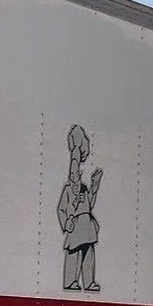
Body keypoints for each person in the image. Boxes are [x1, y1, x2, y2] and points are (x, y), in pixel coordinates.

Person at [57, 124, 102, 291]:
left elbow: (89, 204)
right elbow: (61, 209)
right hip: (76, 226)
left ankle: (89, 282)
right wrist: (65, 223)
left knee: (88, 254)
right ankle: (70, 281)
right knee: (73, 253)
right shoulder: (69, 190)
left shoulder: (83, 188)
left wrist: (95, 186)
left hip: (87, 225)